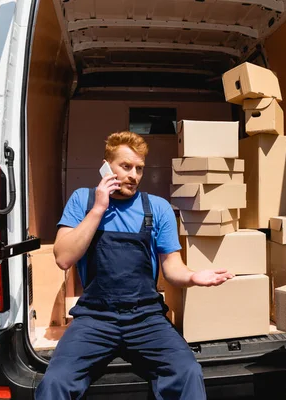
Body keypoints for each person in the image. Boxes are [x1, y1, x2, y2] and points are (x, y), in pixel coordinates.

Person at [35, 131, 235, 399]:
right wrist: (98, 208)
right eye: (126, 166)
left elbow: (172, 267)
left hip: (145, 318)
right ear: (106, 166)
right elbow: (63, 258)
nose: (134, 175)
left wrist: (193, 277)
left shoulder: (157, 208)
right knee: (55, 382)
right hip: (95, 318)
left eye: (139, 169)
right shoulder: (82, 201)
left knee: (188, 372)